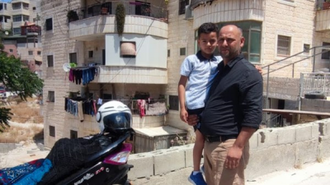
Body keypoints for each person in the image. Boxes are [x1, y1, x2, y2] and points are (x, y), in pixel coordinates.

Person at [188, 24, 263, 185]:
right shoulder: (219, 69)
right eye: (221, 39)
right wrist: (194, 117)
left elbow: (254, 115)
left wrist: (237, 147)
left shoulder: (248, 73)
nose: (224, 43)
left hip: (227, 146)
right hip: (210, 146)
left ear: (241, 42)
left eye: (230, 40)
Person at [178, 22, 222, 185]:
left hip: (209, 106)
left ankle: (203, 166)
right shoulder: (191, 60)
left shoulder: (219, 60)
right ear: (199, 42)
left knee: (212, 134)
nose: (209, 44)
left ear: (216, 41)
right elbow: (182, 84)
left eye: (212, 41)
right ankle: (196, 172)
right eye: (204, 41)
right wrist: (183, 108)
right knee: (201, 138)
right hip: (196, 105)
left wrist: (255, 69)